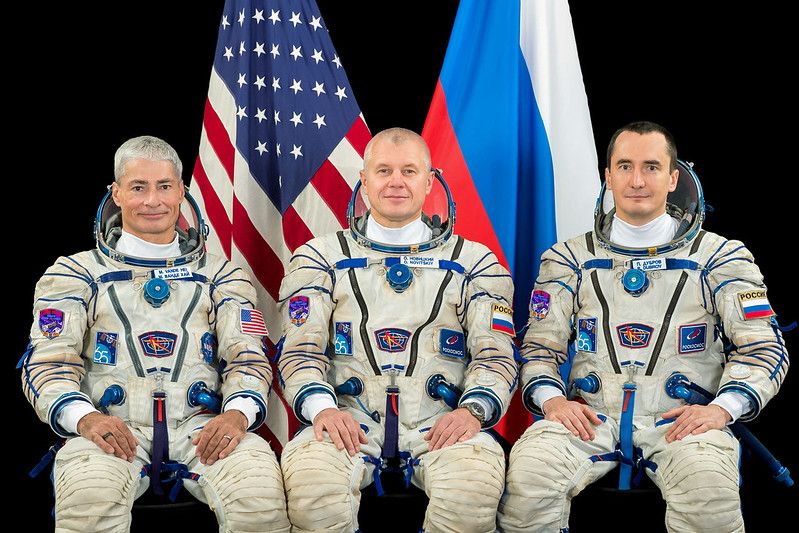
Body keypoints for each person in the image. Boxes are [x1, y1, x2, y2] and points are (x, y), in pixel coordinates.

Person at [498, 121, 789, 532]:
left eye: (652, 167)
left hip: (683, 421)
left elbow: (764, 349)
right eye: (625, 166)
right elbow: (538, 349)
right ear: (608, 176)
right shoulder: (568, 259)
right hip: (589, 419)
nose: (637, 180)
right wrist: (553, 402)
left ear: (674, 178)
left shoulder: (720, 257)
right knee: (529, 477)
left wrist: (722, 409)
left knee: (709, 491)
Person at [20, 136, 290, 532]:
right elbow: (48, 364)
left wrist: (236, 414)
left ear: (181, 191)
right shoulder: (74, 275)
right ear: (116, 193)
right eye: (138, 187)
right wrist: (86, 419)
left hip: (204, 428)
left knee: (261, 497)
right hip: (111, 429)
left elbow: (249, 357)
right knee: (89, 501)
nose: (153, 201)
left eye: (164, 186)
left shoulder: (222, 276)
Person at [276, 127, 517, 532]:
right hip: (346, 420)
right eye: (383, 170)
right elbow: (300, 352)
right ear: (364, 181)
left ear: (429, 180)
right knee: (312, 488)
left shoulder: (475, 262)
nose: (396, 182)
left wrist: (472, 411)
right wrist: (324, 408)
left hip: (443, 422)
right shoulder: (320, 257)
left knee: (472, 488)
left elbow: (495, 355)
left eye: (409, 170)